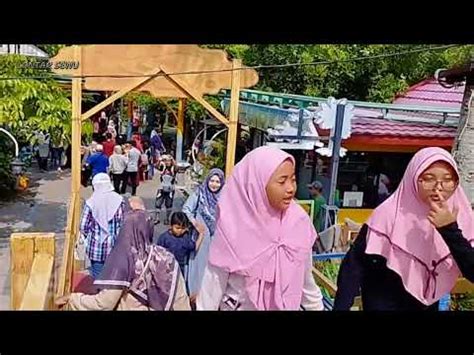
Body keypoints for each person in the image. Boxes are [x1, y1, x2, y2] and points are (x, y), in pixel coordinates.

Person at [333, 147, 474, 311]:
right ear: (413, 179)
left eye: (448, 180)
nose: (438, 187)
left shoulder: (459, 215)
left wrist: (449, 228)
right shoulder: (388, 214)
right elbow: (353, 267)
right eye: (428, 179)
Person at [197, 147, 324, 311]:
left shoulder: (298, 223)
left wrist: (317, 307)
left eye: (293, 179)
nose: (291, 188)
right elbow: (212, 286)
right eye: (282, 181)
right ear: (257, 184)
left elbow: (306, 281)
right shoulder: (233, 226)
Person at [57, 198, 191, 311]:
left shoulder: (123, 259)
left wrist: (73, 298)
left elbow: (104, 303)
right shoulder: (166, 257)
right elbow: (180, 300)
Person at [182, 168, 225, 301]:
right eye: (212, 180)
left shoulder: (224, 196)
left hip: (216, 237)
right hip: (201, 237)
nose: (214, 184)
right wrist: (195, 223)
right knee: (198, 264)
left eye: (218, 182)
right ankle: (194, 294)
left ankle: (210, 297)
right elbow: (186, 209)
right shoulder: (199, 193)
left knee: (213, 267)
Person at [79, 173, 125, 279]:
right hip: (115, 247)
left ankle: (99, 294)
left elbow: (83, 226)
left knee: (98, 277)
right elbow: (122, 223)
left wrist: (91, 234)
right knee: (112, 278)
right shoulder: (119, 200)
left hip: (95, 247)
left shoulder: (91, 202)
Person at [157, 212, 205, 280]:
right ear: (171, 225)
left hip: (179, 270)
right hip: (165, 268)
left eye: (183, 228)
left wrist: (201, 235)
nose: (180, 231)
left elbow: (194, 247)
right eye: (177, 228)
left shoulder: (185, 238)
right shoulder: (164, 238)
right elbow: (157, 253)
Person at [154, 155, 177, 225]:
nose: (167, 162)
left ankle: (167, 218)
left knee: (169, 204)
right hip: (161, 188)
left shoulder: (173, 168)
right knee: (158, 203)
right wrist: (160, 160)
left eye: (168, 161)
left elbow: (177, 167)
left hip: (170, 188)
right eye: (166, 161)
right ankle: (156, 218)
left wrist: (172, 159)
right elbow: (156, 166)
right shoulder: (163, 167)